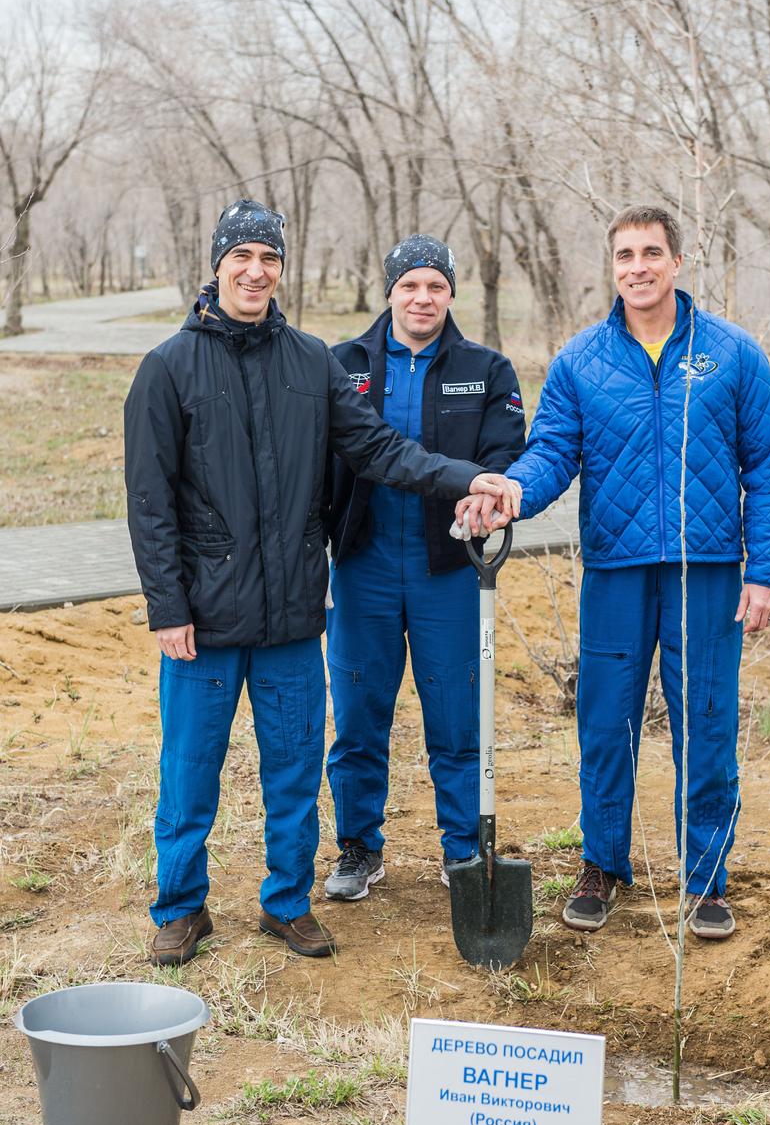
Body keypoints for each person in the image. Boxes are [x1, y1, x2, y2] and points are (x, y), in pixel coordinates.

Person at [124, 200, 519, 966]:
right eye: (240, 257)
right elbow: (149, 500)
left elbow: (380, 451)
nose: (254, 271)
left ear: (280, 270)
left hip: (294, 620)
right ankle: (180, 907)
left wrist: (470, 475)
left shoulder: (312, 363)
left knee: (296, 771)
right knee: (189, 773)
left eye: (268, 258)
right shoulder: (168, 367)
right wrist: (166, 607)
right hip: (202, 620)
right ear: (217, 266)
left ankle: (286, 903)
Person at [455, 205, 770, 940]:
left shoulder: (730, 354)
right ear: (611, 268)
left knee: (705, 727)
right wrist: (511, 491)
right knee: (604, 725)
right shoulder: (582, 360)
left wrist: (765, 573)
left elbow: (767, 466)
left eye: (650, 253)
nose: (636, 267)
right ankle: (602, 866)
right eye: (623, 256)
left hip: (704, 574)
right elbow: (550, 452)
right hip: (614, 572)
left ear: (677, 262)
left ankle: (705, 881)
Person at [321, 234, 526, 901]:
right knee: (357, 717)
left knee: (456, 719)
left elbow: (504, 458)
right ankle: (358, 849)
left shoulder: (487, 369)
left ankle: (462, 851)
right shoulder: (340, 364)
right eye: (409, 285)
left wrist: (489, 504)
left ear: (451, 294)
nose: (422, 297)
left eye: (435, 286)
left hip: (449, 571)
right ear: (389, 291)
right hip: (363, 567)